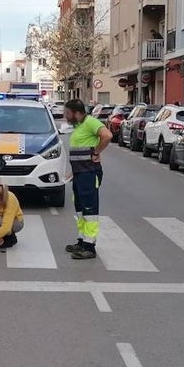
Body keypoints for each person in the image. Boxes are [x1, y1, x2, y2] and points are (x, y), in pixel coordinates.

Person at [63, 98, 112, 260]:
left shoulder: (91, 122)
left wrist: (97, 152)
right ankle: (82, 241)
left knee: (90, 209)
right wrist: (73, 173)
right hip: (79, 174)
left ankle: (90, 247)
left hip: (89, 173)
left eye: (67, 113)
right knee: (80, 208)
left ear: (77, 113)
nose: (65, 116)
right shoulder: (78, 126)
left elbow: (107, 135)